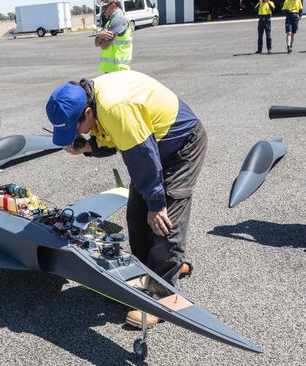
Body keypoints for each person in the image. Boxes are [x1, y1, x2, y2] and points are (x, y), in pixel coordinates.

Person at [45, 71, 207, 327]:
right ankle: (143, 279)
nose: (77, 134)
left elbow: (142, 157)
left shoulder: (115, 108)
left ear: (87, 113)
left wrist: (157, 205)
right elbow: (115, 139)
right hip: (154, 149)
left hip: (181, 146)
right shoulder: (95, 102)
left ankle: (161, 296)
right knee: (136, 216)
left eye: (74, 128)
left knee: (164, 222)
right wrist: (88, 146)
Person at [95, 0, 132, 73]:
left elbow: (103, 45)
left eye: (104, 8)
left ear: (113, 5)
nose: (103, 11)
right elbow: (96, 43)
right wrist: (100, 36)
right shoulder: (109, 22)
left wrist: (100, 37)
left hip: (118, 70)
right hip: (111, 69)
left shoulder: (119, 20)